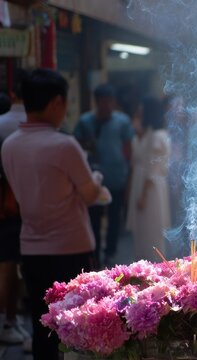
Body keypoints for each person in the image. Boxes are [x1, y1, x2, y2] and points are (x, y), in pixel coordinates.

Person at [1, 68, 103, 360]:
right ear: (56, 103)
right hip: (71, 248)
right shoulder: (64, 145)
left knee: (42, 322)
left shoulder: (9, 146)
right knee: (79, 323)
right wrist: (95, 177)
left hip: (32, 248)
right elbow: (90, 194)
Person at [74, 84, 134, 267]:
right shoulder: (85, 122)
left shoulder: (122, 121)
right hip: (93, 182)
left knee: (115, 218)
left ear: (114, 102)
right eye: (103, 102)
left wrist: (129, 177)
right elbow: (78, 149)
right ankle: (95, 254)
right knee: (93, 220)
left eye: (110, 102)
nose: (107, 106)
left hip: (117, 178)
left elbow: (128, 150)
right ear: (97, 102)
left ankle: (110, 253)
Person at [0, 71, 30, 347]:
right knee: (15, 264)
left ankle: (11, 319)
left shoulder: (3, 124)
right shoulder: (34, 124)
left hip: (7, 206)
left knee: (8, 263)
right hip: (27, 206)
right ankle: (10, 319)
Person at [127, 97, 171, 262]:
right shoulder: (148, 134)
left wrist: (144, 194)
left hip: (150, 187)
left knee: (151, 230)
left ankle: (153, 265)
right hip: (143, 183)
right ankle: (143, 264)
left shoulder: (157, 135)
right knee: (142, 230)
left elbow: (154, 169)